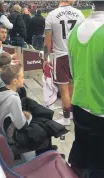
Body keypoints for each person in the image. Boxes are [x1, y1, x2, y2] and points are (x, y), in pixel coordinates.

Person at [0, 64, 68, 156]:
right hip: (11, 139)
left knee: (41, 122)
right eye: (22, 77)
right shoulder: (13, 98)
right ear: (15, 81)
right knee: (42, 128)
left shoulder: (1, 92)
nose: (23, 79)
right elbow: (22, 125)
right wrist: (29, 116)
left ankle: (48, 150)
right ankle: (45, 154)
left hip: (5, 132)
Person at [68, 1, 104, 177]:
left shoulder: (75, 30)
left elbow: (73, 71)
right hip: (100, 113)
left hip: (80, 108)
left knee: (83, 162)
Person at [44, 0, 85, 126]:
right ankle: (72, 113)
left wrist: (45, 58)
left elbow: (47, 42)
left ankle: (66, 118)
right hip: (76, 56)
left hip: (60, 56)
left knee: (64, 89)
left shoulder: (51, 15)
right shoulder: (80, 14)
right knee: (73, 85)